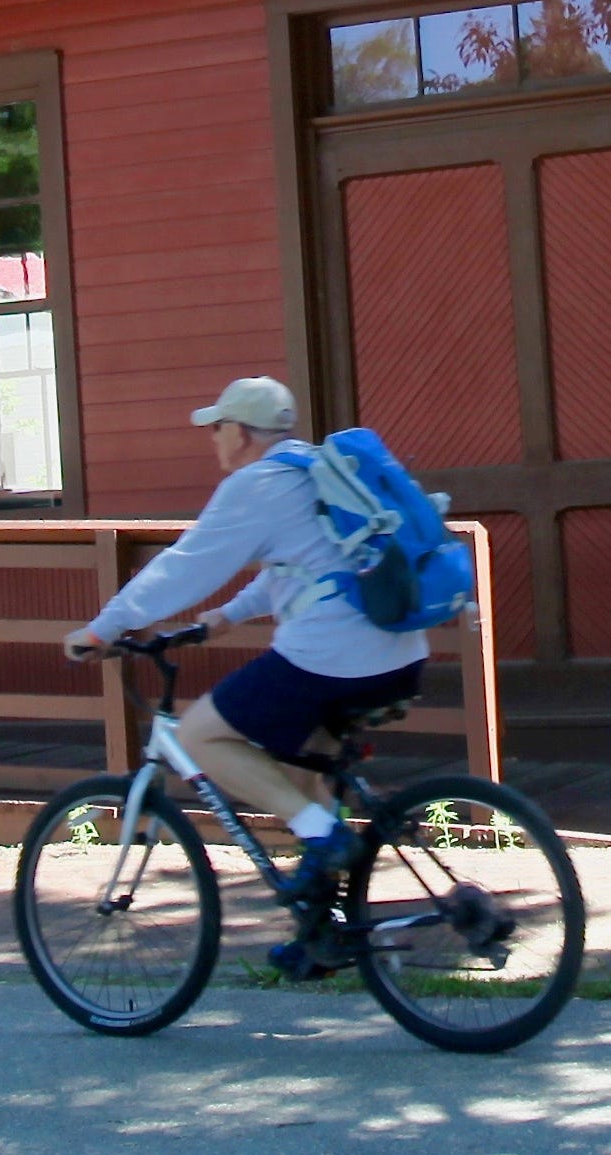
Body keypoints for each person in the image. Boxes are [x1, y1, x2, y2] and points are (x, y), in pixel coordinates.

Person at [65, 375, 427, 940]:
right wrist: (228, 616)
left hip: (335, 658)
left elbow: (182, 569)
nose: (213, 439)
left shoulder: (256, 486)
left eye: (217, 428)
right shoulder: (314, 471)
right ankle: (322, 935)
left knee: (198, 736)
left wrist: (102, 629)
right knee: (303, 777)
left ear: (240, 432)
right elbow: (305, 570)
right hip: (400, 654)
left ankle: (325, 837)